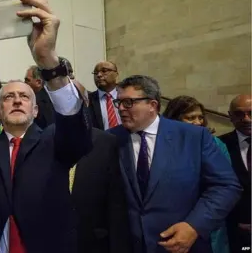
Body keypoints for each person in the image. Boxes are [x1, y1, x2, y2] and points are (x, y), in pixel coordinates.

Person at [0, 0, 92, 252]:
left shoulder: (54, 142)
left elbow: (78, 135)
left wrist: (47, 58)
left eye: (25, 97)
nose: (16, 99)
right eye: (8, 97)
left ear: (37, 110)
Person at [108, 75, 241, 253]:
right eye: (119, 103)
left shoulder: (194, 137)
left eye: (129, 102)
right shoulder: (109, 140)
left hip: (183, 246)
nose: (121, 109)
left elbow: (226, 186)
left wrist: (194, 226)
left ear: (152, 105)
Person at [163, 95, 231, 253]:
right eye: (190, 118)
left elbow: (225, 187)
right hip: (172, 221)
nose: (198, 122)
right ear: (174, 119)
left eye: (201, 117)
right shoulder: (162, 145)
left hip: (208, 223)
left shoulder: (215, 144)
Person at [69, 80, 132, 253]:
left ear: (86, 102)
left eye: (73, 97)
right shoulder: (44, 139)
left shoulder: (107, 141)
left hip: (96, 242)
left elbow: (115, 202)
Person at [219, 94, 252, 253]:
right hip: (236, 231)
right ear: (230, 116)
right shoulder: (219, 146)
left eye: (251, 113)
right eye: (239, 114)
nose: (246, 119)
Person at [88, 61, 121, 130]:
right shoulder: (87, 100)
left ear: (116, 74)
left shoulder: (126, 95)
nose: (99, 75)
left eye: (104, 71)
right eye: (96, 73)